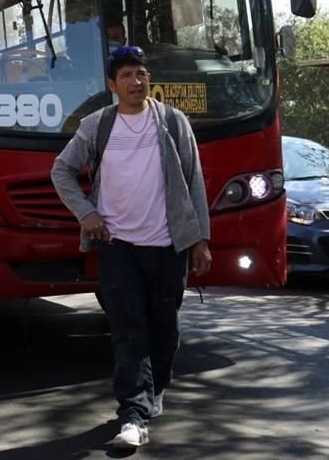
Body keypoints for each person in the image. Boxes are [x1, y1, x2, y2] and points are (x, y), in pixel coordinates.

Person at [50, 45, 212, 449]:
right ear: (112, 85)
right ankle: (133, 415)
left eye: (140, 73)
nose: (135, 82)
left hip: (167, 245)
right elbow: (62, 170)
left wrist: (200, 242)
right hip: (117, 244)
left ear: (148, 80)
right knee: (128, 330)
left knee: (165, 329)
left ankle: (154, 389)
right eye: (126, 75)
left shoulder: (173, 123)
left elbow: (194, 182)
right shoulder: (97, 125)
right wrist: (86, 213)